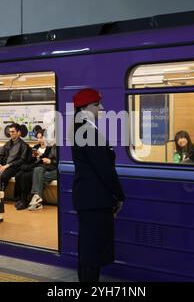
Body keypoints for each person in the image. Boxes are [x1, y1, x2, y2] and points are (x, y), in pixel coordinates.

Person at [71, 88, 125, 282]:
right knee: (92, 252)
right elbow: (104, 169)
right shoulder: (87, 131)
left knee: (87, 249)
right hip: (94, 199)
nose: (101, 108)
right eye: (96, 104)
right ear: (85, 107)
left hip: (87, 198)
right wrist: (119, 196)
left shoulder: (81, 128)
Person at [0, 123, 31, 223]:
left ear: (19, 132)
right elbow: (1, 155)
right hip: (5, 166)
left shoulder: (24, 145)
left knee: (4, 176)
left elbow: (21, 161)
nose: (11, 134)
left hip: (15, 167)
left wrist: (7, 166)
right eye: (9, 132)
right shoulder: (8, 144)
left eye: (13, 132)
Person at [14, 129, 57, 211]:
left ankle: (32, 199)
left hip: (54, 168)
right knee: (24, 174)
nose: (40, 140)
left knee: (36, 174)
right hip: (45, 167)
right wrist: (34, 157)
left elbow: (60, 161)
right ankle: (34, 199)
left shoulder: (55, 147)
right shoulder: (52, 147)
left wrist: (49, 160)